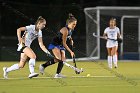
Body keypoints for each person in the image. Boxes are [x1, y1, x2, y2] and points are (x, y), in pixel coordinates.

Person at [39, 13, 77, 78]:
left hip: (61, 45)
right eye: (73, 24)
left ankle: (57, 74)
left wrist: (71, 40)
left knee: (63, 59)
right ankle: (43, 66)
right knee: (59, 59)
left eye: (75, 24)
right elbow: (65, 43)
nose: (74, 25)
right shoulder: (65, 30)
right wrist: (71, 52)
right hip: (55, 44)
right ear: (69, 24)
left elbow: (69, 36)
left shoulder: (70, 30)